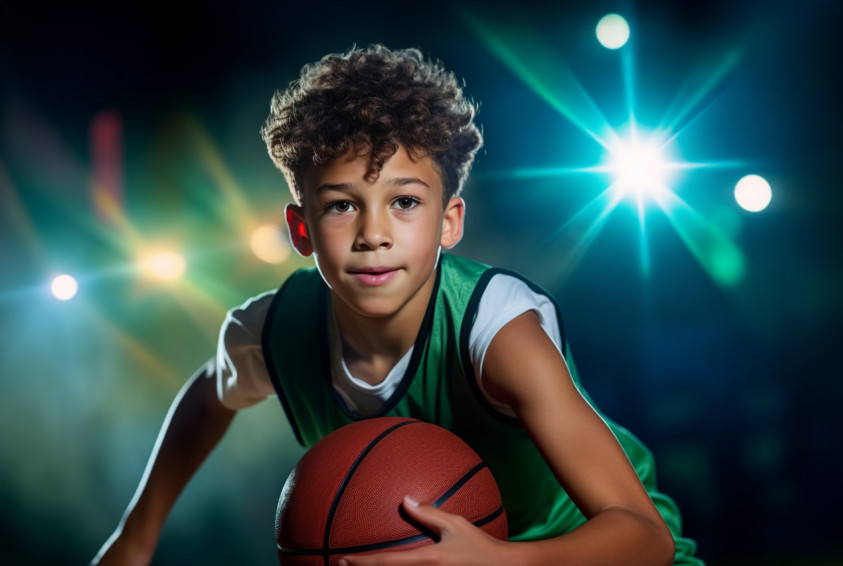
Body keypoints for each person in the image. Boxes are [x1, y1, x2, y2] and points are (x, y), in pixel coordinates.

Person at [91, 45, 702, 566]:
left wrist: (502, 561)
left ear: (449, 221)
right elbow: (209, 393)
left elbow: (642, 536)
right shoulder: (272, 330)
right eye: (340, 205)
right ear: (300, 229)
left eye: (405, 202)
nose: (373, 233)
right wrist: (135, 537)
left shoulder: (497, 331)